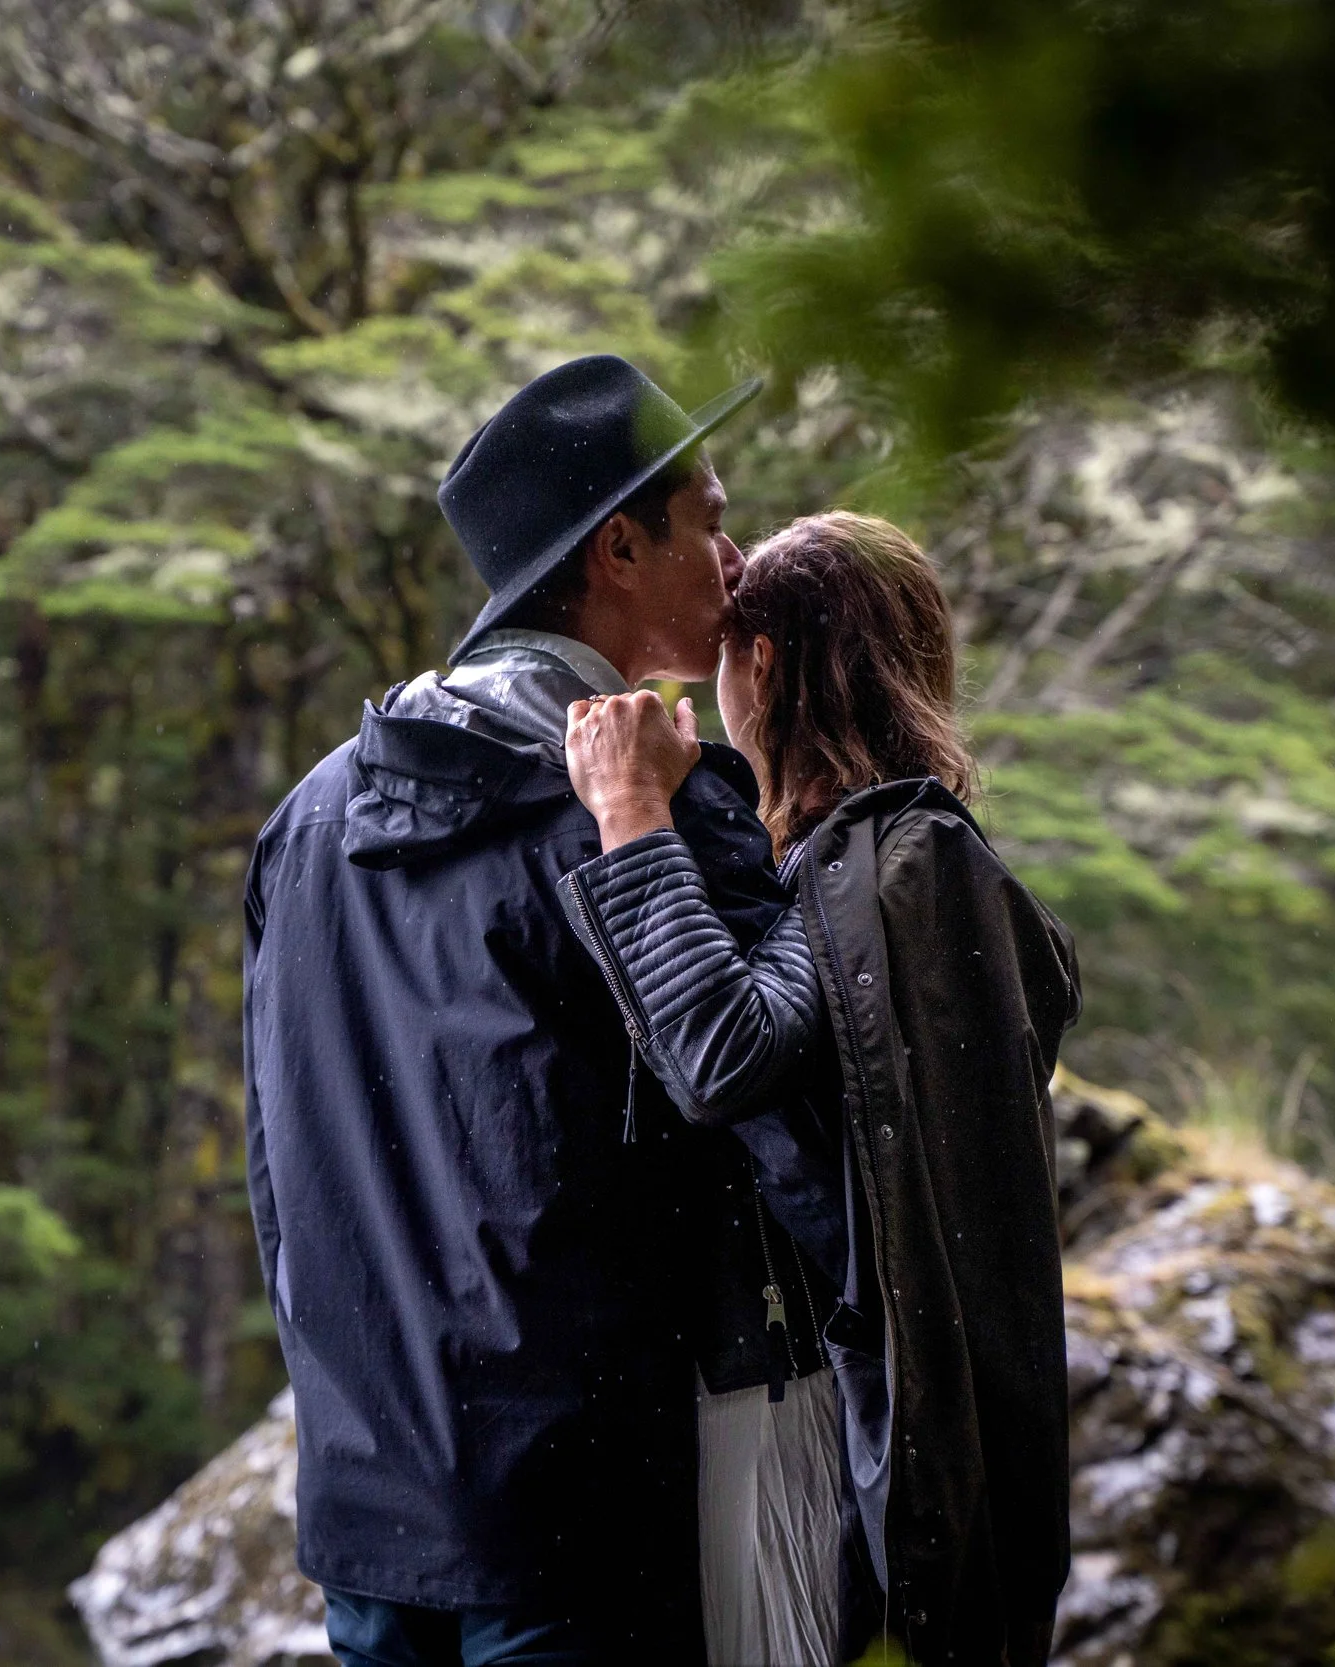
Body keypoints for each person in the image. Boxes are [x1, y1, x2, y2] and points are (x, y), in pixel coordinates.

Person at [242, 355, 830, 1664]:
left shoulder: (308, 821)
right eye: (712, 520)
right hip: (586, 1506)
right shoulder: (646, 810)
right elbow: (785, 1106)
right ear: (620, 546)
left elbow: (282, 1177)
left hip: (369, 1501)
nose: (735, 557)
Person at [562, 511, 1082, 1666]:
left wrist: (632, 816)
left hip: (880, 1454)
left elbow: (722, 1049)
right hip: (935, 1446)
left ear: (768, 663)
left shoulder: (884, 863)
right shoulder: (917, 860)